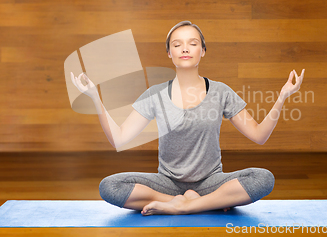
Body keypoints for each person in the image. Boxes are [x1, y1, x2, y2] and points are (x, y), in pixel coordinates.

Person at [71, 21, 305, 216]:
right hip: (167, 184)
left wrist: (283, 96)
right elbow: (119, 139)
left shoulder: (221, 92)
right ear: (169, 53)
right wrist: (94, 97)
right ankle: (191, 201)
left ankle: (185, 206)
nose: (185, 49)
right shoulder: (155, 95)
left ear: (202, 51)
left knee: (263, 178)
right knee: (109, 186)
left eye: (192, 44)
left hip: (211, 182)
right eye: (177, 44)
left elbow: (259, 135)